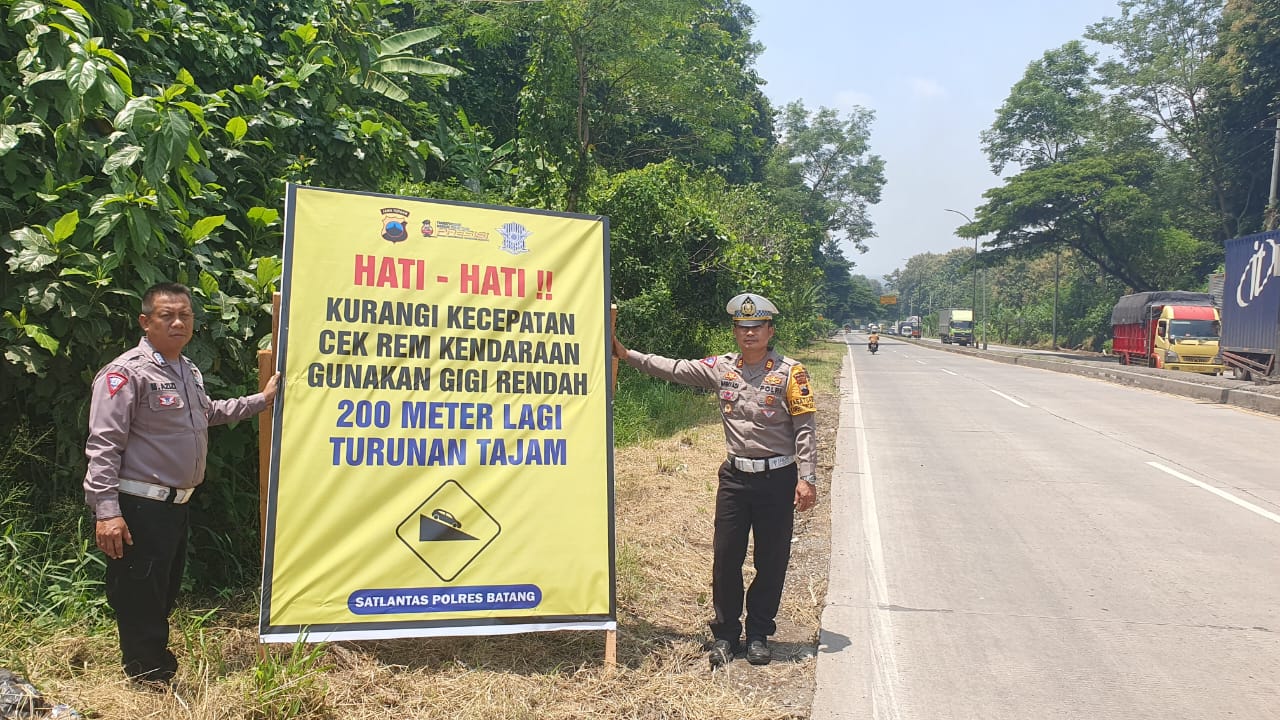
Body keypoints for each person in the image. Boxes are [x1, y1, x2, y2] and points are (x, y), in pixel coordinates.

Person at [83, 282, 279, 686]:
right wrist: (107, 513)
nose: (177, 322)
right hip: (139, 506)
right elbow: (103, 445)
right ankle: (149, 676)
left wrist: (262, 399)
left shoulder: (186, 370)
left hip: (175, 506)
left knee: (162, 590)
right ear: (145, 321)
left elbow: (207, 413)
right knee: (140, 592)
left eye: (184, 315)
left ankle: (149, 666)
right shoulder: (126, 374)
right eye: (166, 315)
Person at [612, 293, 818, 669]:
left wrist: (807, 478)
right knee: (726, 558)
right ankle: (725, 634)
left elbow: (804, 428)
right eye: (742, 328)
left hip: (778, 478)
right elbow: (675, 368)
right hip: (735, 479)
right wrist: (627, 355)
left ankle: (757, 634)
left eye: (757, 327)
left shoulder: (791, 372)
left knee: (771, 559)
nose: (749, 334)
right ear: (735, 331)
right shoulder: (722, 368)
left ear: (770, 331)